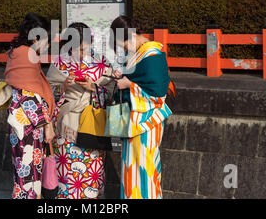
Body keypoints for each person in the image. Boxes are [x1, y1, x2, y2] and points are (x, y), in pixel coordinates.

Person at [46, 22, 115, 199]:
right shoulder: (59, 63)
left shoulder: (101, 62)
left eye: (85, 48)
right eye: (77, 49)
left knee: (92, 174)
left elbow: (113, 89)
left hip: (92, 125)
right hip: (66, 126)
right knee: (67, 174)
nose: (82, 53)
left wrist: (94, 88)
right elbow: (47, 93)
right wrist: (62, 87)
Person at [110, 15, 175, 199]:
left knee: (146, 170)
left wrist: (129, 85)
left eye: (122, 42)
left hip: (147, 122)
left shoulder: (152, 54)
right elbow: (140, 79)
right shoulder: (140, 53)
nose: (122, 47)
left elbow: (157, 91)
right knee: (131, 170)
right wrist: (121, 76)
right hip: (134, 121)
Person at [4, 12, 56, 199]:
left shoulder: (17, 52)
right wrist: (46, 125)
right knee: (29, 176)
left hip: (21, 125)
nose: (47, 45)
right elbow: (29, 96)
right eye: (46, 40)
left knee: (24, 173)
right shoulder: (27, 55)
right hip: (29, 127)